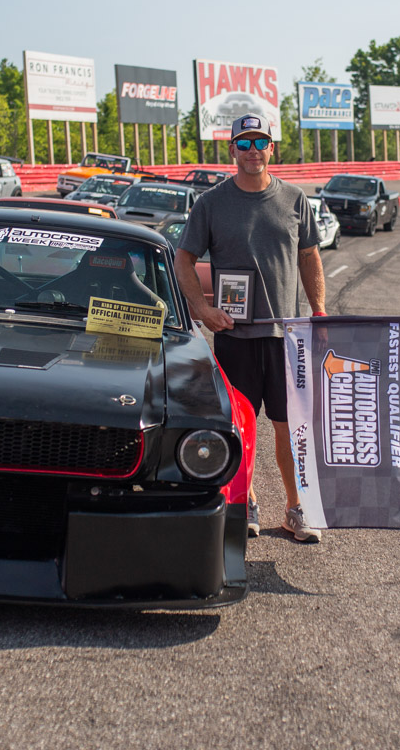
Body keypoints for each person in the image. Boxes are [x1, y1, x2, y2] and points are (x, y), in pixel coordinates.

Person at [175, 113, 327, 543]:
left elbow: (310, 257)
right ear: (232, 151)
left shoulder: (295, 199)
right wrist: (203, 309)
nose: (252, 151)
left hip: (284, 338)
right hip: (235, 338)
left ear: (271, 149)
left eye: (260, 142)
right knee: (241, 428)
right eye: (244, 144)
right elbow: (183, 259)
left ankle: (296, 510)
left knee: (287, 427)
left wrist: (318, 309)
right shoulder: (211, 203)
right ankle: (248, 503)